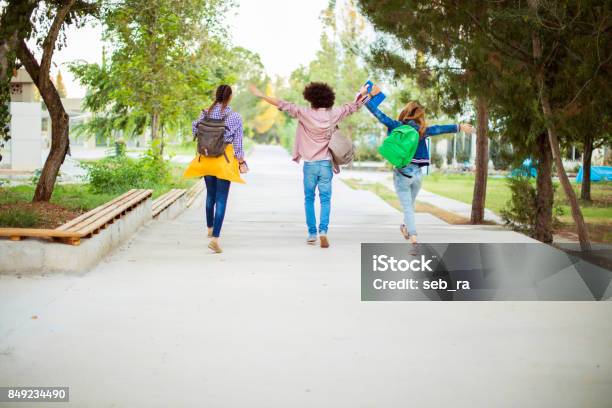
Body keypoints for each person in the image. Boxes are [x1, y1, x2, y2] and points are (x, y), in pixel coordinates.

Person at [248, 82, 369, 248]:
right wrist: (361, 92)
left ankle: (312, 233)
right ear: (329, 98)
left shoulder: (303, 113)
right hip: (326, 163)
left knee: (309, 199)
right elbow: (352, 106)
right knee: (325, 200)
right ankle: (323, 231)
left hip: (310, 164)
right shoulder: (334, 113)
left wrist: (262, 95)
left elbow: (282, 104)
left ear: (310, 98)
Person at [366, 85, 474, 244]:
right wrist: (459, 127)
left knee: (408, 207)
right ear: (420, 116)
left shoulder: (396, 125)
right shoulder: (423, 130)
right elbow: (440, 128)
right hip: (418, 174)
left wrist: (370, 95)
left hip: (402, 173)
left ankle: (413, 234)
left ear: (406, 113)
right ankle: (405, 226)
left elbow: (378, 114)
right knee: (410, 205)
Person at [183, 84, 248, 254]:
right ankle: (215, 239)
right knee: (221, 198)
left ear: (216, 95)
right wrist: (241, 161)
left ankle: (210, 228)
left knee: (210, 195)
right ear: (230, 97)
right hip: (223, 161)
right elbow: (238, 143)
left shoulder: (205, 112)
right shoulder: (234, 117)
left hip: (206, 158)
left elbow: (194, 128)